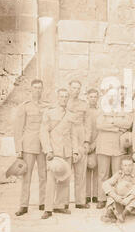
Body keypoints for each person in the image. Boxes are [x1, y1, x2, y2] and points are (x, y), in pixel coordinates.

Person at [40, 88, 79, 219]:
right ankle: (48, 208)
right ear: (57, 97)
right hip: (54, 152)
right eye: (61, 96)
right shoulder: (50, 113)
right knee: (51, 180)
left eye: (66, 97)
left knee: (65, 179)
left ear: (68, 99)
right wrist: (48, 150)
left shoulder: (70, 114)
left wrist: (75, 151)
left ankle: (60, 205)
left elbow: (73, 135)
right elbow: (44, 132)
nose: (63, 99)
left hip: (66, 151)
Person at [94, 85, 134, 209]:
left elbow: (127, 124)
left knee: (117, 174)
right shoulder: (103, 108)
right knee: (102, 173)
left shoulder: (125, 110)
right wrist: (117, 127)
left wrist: (111, 122)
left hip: (118, 146)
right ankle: (101, 198)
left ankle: (115, 198)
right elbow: (99, 125)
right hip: (104, 145)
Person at [13, 79, 49, 216]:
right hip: (28, 145)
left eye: (40, 88)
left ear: (42, 90)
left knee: (43, 175)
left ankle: (43, 202)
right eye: (35, 88)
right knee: (26, 177)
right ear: (31, 89)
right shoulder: (25, 106)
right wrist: (18, 149)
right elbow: (18, 129)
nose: (37, 90)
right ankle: (23, 205)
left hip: (43, 146)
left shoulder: (46, 106)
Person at [101, 157, 135, 223]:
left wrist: (129, 198)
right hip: (121, 203)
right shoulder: (118, 174)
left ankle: (123, 215)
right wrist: (116, 197)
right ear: (121, 166)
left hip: (134, 208)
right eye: (125, 165)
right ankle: (110, 213)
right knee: (112, 189)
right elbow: (105, 184)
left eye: (130, 165)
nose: (127, 168)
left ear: (133, 165)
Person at [67, 80, 90, 209]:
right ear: (69, 88)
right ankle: (62, 201)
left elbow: (87, 124)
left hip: (80, 137)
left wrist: (87, 141)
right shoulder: (64, 102)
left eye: (78, 88)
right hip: (67, 138)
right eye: (73, 88)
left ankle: (80, 201)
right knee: (65, 171)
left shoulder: (84, 105)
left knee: (80, 172)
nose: (76, 90)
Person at [85, 89, 99, 205]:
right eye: (91, 97)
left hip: (97, 143)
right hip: (85, 144)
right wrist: (86, 144)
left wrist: (94, 144)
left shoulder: (100, 112)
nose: (93, 99)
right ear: (87, 98)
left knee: (96, 169)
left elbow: (101, 130)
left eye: (95, 97)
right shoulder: (84, 111)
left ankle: (95, 195)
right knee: (85, 170)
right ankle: (86, 195)